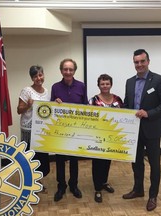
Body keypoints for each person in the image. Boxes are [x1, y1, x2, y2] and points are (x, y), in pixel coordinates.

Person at [122, 49, 161, 211]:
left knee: (154, 164)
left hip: (152, 130)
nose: (139, 65)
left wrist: (149, 113)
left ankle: (153, 195)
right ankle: (138, 190)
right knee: (136, 162)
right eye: (136, 62)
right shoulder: (129, 81)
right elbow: (127, 103)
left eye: (142, 61)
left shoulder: (159, 80)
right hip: (134, 131)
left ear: (148, 61)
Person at [51, 58, 89, 202]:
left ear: (74, 71)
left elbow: (85, 105)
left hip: (76, 130)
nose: (68, 72)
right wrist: (54, 104)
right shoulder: (55, 87)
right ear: (61, 70)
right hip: (60, 130)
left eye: (70, 69)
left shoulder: (81, 86)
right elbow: (51, 108)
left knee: (74, 160)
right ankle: (61, 186)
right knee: (60, 160)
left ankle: (74, 185)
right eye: (65, 69)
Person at [89, 74, 123, 203]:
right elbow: (89, 118)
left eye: (107, 83)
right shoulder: (93, 100)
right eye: (102, 84)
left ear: (111, 84)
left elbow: (124, 116)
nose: (105, 86)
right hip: (97, 137)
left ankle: (104, 182)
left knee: (107, 161)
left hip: (112, 138)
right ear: (99, 85)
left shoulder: (118, 99)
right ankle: (97, 188)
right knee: (97, 162)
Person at [17, 65, 50, 191]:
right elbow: (19, 110)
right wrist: (28, 106)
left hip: (41, 130)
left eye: (40, 75)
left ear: (43, 75)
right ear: (32, 78)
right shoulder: (26, 91)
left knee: (41, 159)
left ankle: (38, 181)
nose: (38, 78)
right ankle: (29, 185)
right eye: (35, 76)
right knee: (30, 158)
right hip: (29, 129)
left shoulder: (47, 92)